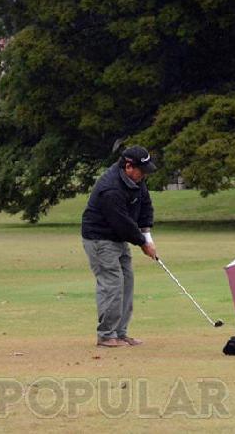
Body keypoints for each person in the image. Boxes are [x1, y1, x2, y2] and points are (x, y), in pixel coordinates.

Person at [81, 145, 159, 347]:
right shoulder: (111, 189)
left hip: (117, 238)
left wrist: (147, 235)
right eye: (141, 171)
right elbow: (122, 223)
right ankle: (106, 334)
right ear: (128, 166)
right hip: (99, 239)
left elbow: (145, 205)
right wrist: (142, 243)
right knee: (112, 284)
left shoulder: (136, 181)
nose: (143, 176)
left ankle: (120, 332)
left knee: (127, 282)